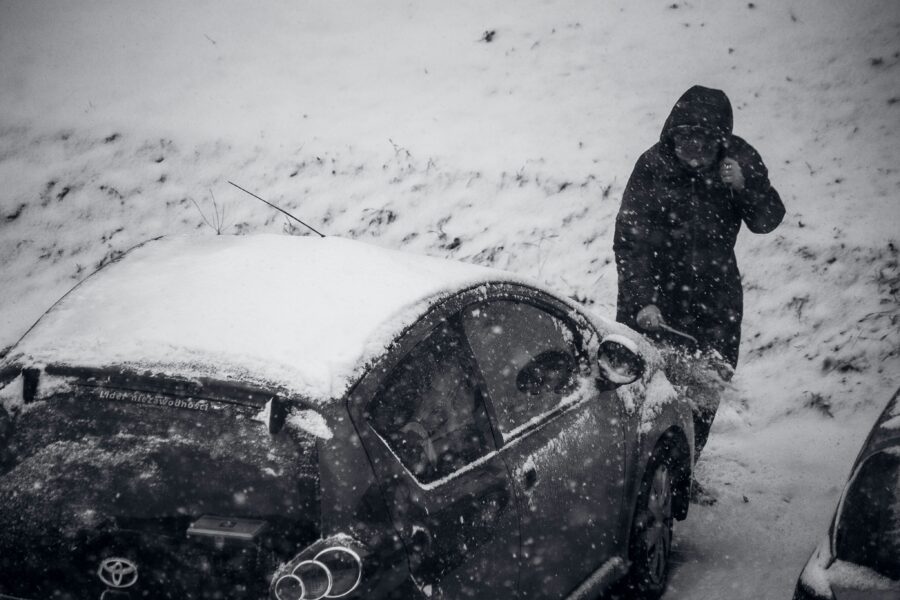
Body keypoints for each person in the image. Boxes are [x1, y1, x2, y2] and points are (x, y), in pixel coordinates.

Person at [613, 85, 785, 458]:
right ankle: (631, 462)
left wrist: (745, 187)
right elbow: (631, 240)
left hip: (714, 299)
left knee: (704, 389)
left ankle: (684, 466)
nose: (693, 152)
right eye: (685, 141)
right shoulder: (652, 166)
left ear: (720, 143)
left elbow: (768, 220)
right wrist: (643, 300)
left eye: (704, 144)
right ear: (672, 136)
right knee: (640, 384)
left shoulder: (739, 161)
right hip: (654, 294)